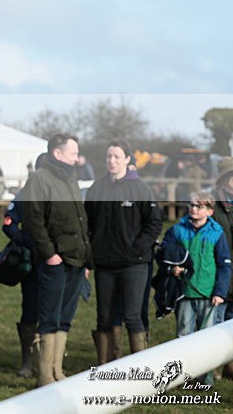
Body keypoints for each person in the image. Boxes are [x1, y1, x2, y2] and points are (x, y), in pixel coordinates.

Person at [84, 140, 162, 365]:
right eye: (109, 156)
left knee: (132, 316)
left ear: (128, 159)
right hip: (105, 265)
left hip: (134, 264)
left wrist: (137, 248)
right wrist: (91, 255)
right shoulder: (97, 189)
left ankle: (140, 369)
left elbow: (154, 223)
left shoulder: (140, 189)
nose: (112, 161)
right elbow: (88, 223)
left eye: (117, 156)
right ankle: (108, 366)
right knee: (105, 318)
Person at [23, 133, 91, 387]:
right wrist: (49, 253)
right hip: (54, 261)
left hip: (76, 260)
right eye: (73, 153)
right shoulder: (40, 179)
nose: (77, 157)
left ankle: (57, 371)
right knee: (49, 317)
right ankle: (44, 376)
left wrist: (86, 259)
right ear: (57, 153)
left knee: (65, 317)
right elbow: (34, 219)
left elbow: (79, 218)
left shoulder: (71, 178)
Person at [159, 191, 230, 386]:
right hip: (184, 293)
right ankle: (184, 377)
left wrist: (219, 292)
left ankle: (205, 378)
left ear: (208, 210)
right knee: (183, 335)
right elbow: (165, 251)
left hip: (208, 294)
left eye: (198, 206)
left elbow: (224, 265)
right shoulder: (177, 230)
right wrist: (172, 267)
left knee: (206, 338)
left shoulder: (217, 233)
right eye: (191, 205)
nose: (193, 209)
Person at [1, 152, 46, 378]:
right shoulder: (25, 194)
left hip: (57, 260)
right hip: (33, 262)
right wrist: (25, 242)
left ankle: (48, 362)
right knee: (29, 309)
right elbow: (8, 224)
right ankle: (27, 362)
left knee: (53, 312)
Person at [211, 157, 233, 378]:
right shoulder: (212, 205)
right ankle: (212, 366)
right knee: (216, 321)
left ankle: (230, 366)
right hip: (218, 271)